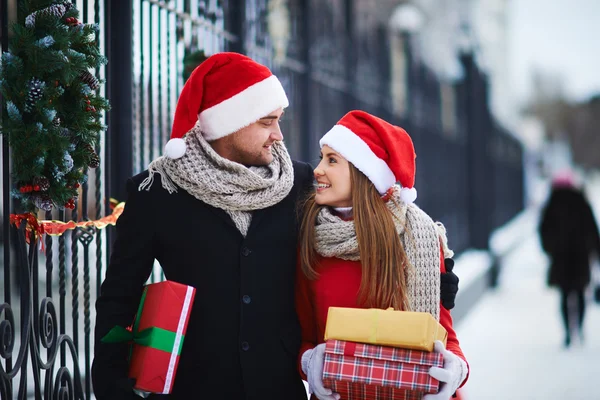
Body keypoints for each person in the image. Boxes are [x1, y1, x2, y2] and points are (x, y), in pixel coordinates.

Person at [92, 53, 461, 399]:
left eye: (278, 120)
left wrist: (433, 271)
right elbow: (118, 298)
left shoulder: (299, 183)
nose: (278, 134)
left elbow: (357, 231)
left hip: (280, 386)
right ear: (228, 123)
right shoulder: (157, 192)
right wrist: (112, 386)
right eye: (266, 122)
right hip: (195, 386)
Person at [295, 110, 469, 400]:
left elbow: (447, 339)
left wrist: (453, 371)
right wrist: (311, 363)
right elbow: (302, 339)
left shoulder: (419, 238)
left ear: (365, 173)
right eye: (321, 157)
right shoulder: (310, 239)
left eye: (332, 160)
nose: (318, 170)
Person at [539, 170, 600, 348]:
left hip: (560, 258)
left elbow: (543, 231)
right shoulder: (582, 202)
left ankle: (567, 332)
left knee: (565, 295)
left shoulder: (552, 204)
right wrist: (595, 251)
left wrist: (550, 249)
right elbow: (592, 229)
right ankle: (578, 329)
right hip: (581, 257)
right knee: (580, 293)